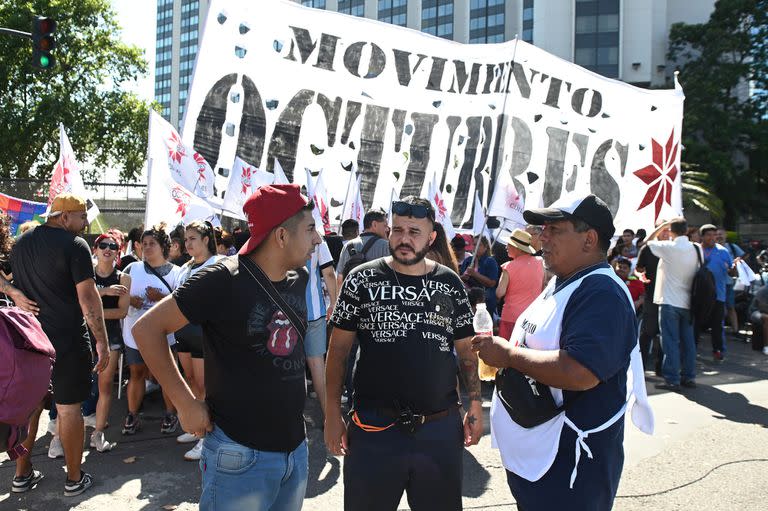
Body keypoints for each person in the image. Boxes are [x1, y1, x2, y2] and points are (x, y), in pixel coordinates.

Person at [132, 184, 320, 511]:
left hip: (295, 451)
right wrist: (186, 403)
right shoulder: (222, 279)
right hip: (239, 455)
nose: (318, 238)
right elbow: (147, 329)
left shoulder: (300, 276)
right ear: (281, 236)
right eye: (310, 229)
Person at [473, 193, 651, 511]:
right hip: (543, 459)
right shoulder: (565, 281)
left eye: (555, 229)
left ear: (589, 239)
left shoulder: (601, 291)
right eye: (543, 229)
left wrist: (509, 356)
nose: (543, 236)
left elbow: (580, 371)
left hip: (569, 469)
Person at [325, 196, 483, 511]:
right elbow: (338, 351)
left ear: (432, 237)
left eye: (414, 231)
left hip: (438, 430)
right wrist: (331, 414)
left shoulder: (449, 283)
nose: (404, 239)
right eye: (397, 230)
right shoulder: (361, 280)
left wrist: (475, 404)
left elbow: (466, 352)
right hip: (373, 429)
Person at [5, 193, 109, 497]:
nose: (85, 222)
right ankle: (74, 479)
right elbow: (88, 298)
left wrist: (11, 290)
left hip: (28, 341)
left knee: (29, 409)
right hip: (66, 340)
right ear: (63, 217)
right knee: (68, 409)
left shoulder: (21, 242)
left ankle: (21, 476)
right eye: (81, 216)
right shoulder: (75, 245)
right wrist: (101, 340)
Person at [121, 223, 184, 435]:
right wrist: (129, 299)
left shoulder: (177, 273)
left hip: (165, 336)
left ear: (163, 246)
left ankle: (170, 414)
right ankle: (132, 414)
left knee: (166, 374)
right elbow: (120, 297)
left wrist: (162, 299)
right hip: (134, 333)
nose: (147, 248)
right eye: (144, 244)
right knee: (136, 372)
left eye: (152, 244)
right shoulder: (131, 269)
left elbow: (184, 304)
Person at [174, 220, 222, 461]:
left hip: (204, 335)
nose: (188, 243)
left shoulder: (217, 265)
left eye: (193, 238)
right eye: (186, 239)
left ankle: (206, 438)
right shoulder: (184, 267)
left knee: (205, 388)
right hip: (183, 334)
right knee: (191, 381)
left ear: (206, 240)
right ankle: (196, 427)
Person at [90, 231, 131, 453]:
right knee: (74, 386)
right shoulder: (85, 275)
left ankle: (98, 434)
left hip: (111, 338)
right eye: (103, 245)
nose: (108, 249)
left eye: (113, 246)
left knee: (104, 386)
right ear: (95, 249)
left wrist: (92, 312)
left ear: (118, 252)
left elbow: (122, 312)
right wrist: (104, 292)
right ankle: (59, 435)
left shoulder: (124, 278)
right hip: (83, 336)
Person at [646, 217, 698, 389]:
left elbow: (647, 241)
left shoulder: (669, 247)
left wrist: (661, 226)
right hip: (690, 302)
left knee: (670, 342)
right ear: (687, 230)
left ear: (671, 230)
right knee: (688, 342)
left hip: (669, 301)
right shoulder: (696, 248)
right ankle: (689, 377)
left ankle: (672, 379)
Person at [305, 239, 337, 416]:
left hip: (285, 311)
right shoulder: (318, 240)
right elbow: (329, 274)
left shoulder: (282, 231)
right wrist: (334, 303)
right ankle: (330, 417)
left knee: (288, 367)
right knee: (318, 365)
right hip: (314, 312)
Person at [635, 220, 670, 374]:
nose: (665, 233)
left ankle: (660, 368)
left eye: (668, 230)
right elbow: (638, 269)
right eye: (662, 229)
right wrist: (640, 276)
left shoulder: (672, 248)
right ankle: (640, 367)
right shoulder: (648, 248)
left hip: (669, 298)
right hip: (651, 296)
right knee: (647, 333)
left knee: (664, 335)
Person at [496, 228, 544, 340]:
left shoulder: (508, 266)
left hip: (511, 317)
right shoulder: (540, 262)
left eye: (509, 244)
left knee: (505, 352)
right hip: (532, 318)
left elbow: (499, 293)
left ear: (517, 248)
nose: (506, 247)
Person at [698, 224, 735, 361]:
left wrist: (734, 268)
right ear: (702, 236)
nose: (712, 237)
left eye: (714, 235)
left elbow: (732, 272)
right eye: (709, 235)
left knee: (717, 325)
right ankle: (692, 350)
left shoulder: (723, 251)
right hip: (698, 296)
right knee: (696, 324)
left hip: (718, 295)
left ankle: (718, 350)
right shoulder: (696, 250)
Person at [460, 236, 500, 316]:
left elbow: (492, 283)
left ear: (485, 247)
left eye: (479, 245)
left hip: (484, 301)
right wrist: (463, 277)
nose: (476, 247)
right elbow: (459, 278)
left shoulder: (490, 261)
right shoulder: (468, 261)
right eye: (474, 244)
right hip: (469, 300)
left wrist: (475, 274)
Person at [717, 228, 745, 335]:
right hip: (715, 283)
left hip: (729, 282)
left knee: (730, 306)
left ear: (725, 235)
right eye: (717, 234)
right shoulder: (712, 248)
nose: (719, 236)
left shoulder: (732, 247)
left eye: (721, 234)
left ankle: (735, 330)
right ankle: (719, 329)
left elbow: (743, 256)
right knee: (719, 308)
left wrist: (737, 265)